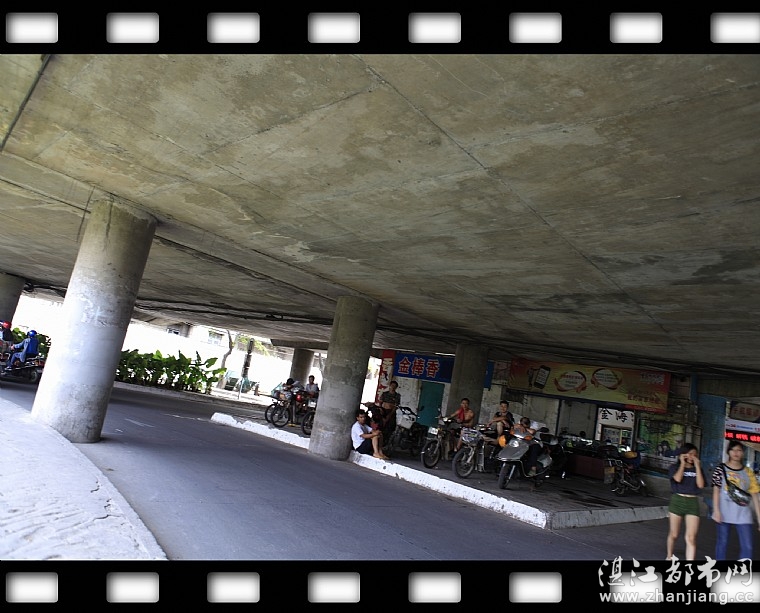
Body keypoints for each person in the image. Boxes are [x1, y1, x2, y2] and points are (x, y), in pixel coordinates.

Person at [711, 440, 760, 560]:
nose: (736, 452)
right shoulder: (720, 469)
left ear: (743, 453)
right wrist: (716, 510)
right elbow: (716, 490)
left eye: (739, 450)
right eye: (733, 450)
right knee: (722, 543)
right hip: (723, 512)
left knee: (747, 546)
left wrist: (759, 519)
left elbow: (755, 496)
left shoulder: (748, 472)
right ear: (728, 452)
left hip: (743, 513)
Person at [666, 443, 705, 560]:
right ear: (683, 454)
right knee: (674, 534)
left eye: (695, 455)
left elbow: (701, 485)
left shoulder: (698, 469)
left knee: (691, 538)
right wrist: (682, 464)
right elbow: (678, 479)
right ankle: (669, 556)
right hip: (677, 500)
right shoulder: (674, 467)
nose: (692, 457)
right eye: (690, 454)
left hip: (692, 502)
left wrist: (697, 467)